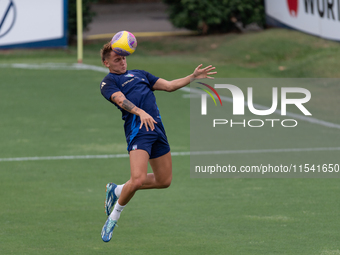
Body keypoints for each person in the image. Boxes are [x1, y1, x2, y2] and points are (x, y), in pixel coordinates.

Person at [99, 41, 217, 242]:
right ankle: (113, 216)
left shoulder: (141, 74)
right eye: (117, 60)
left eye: (124, 58)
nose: (122, 63)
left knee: (164, 181)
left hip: (157, 130)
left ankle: (116, 189)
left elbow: (170, 86)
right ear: (106, 63)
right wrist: (140, 112)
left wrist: (192, 77)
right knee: (137, 179)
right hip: (138, 132)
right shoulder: (108, 82)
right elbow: (120, 100)